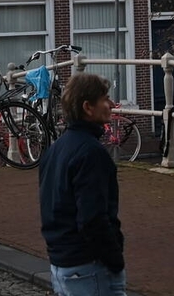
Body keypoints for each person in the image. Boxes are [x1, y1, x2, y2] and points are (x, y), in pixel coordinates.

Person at [38, 72, 126, 295]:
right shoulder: (91, 153)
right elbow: (92, 218)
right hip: (90, 266)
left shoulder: (55, 150)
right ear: (88, 107)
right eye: (105, 99)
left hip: (62, 262)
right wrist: (115, 258)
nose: (111, 104)